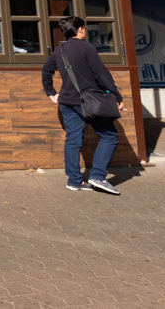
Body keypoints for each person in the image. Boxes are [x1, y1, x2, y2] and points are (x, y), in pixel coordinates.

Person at [42, 16, 125, 194]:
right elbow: (102, 75)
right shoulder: (87, 48)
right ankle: (98, 176)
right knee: (110, 136)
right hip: (88, 102)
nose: (84, 31)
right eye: (84, 28)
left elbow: (46, 70)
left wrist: (51, 92)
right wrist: (116, 95)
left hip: (66, 102)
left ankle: (74, 181)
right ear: (80, 29)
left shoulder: (60, 49)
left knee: (73, 139)